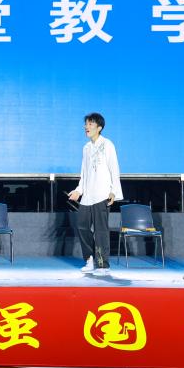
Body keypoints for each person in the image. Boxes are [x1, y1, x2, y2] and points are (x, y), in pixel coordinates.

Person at [68, 112, 123, 276]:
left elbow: (114, 169)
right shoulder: (86, 148)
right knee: (82, 226)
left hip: (102, 194)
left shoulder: (107, 144)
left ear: (99, 127)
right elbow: (84, 173)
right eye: (86, 124)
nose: (86, 127)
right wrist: (79, 190)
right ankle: (90, 259)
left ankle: (103, 265)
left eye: (90, 124)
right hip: (88, 196)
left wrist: (114, 191)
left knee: (100, 230)